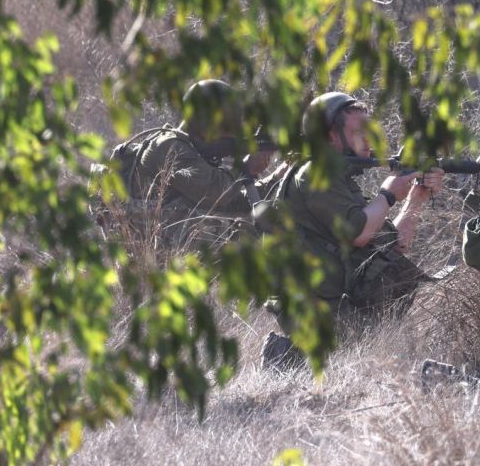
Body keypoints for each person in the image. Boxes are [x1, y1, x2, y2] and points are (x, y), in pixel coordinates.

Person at [261, 92, 443, 369]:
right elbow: (358, 233)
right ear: (331, 136)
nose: (369, 139)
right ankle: (287, 359)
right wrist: (387, 195)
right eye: (359, 132)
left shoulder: (339, 179)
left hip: (332, 299)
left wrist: (416, 198)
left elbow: (393, 244)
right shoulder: (314, 175)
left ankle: (296, 360)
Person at [117, 79, 274, 247]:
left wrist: (276, 178)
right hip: (157, 253)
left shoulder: (191, 149)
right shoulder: (170, 148)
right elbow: (217, 194)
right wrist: (245, 168)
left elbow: (232, 202)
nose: (227, 135)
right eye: (224, 128)